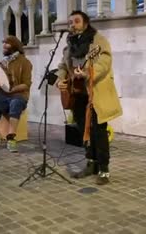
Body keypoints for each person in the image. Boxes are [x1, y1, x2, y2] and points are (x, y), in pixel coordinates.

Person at [56, 10, 122, 185]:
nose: (72, 25)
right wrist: (61, 79)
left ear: (85, 23)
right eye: (70, 22)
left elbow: (105, 62)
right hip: (77, 94)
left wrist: (87, 73)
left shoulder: (98, 40)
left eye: (76, 21)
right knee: (83, 130)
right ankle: (91, 162)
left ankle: (104, 169)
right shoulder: (69, 44)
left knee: (99, 130)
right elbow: (63, 65)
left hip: (96, 92)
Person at [0, 35, 32, 153]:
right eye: (3, 43)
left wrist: (11, 90)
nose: (4, 46)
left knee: (16, 103)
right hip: (4, 95)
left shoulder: (25, 62)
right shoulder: (1, 63)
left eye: (7, 43)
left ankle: (11, 138)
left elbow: (26, 84)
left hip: (19, 95)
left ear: (15, 46)